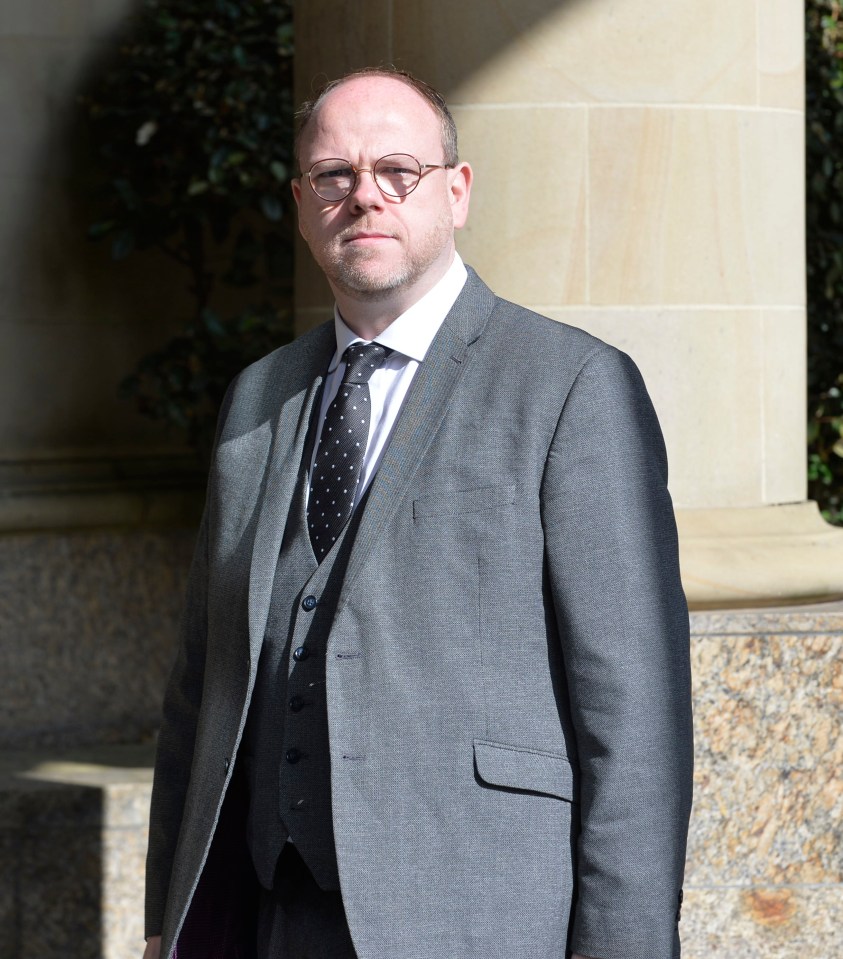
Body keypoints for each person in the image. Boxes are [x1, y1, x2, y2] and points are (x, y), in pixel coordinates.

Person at [142, 67, 693, 959]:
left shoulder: (570, 386)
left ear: (456, 190)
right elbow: (197, 687)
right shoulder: (258, 397)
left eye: (397, 169)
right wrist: (168, 917)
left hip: (478, 913)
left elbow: (631, 716)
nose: (364, 196)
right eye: (333, 176)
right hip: (270, 918)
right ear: (300, 200)